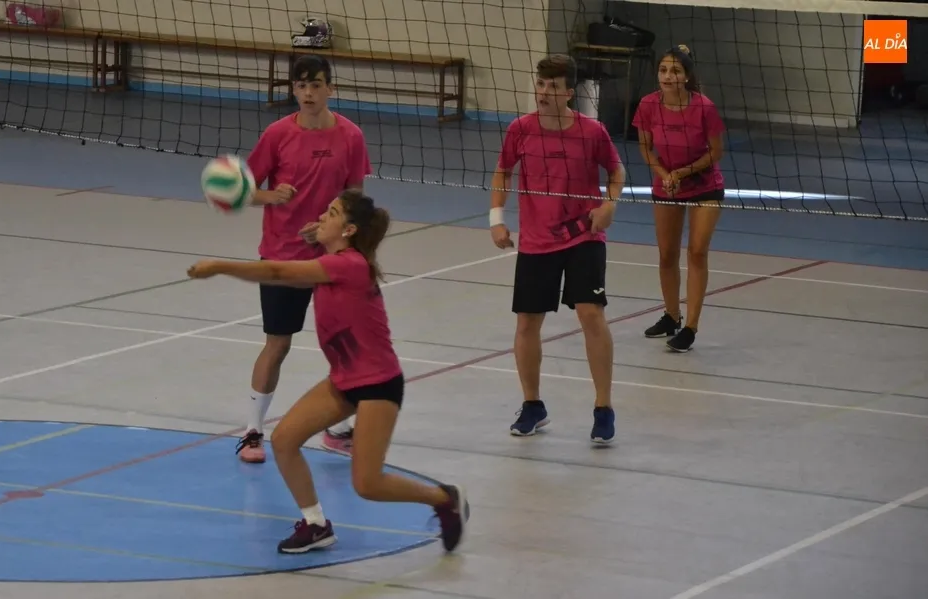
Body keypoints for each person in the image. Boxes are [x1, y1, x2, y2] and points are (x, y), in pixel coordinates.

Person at [187, 190, 469, 554]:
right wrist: (319, 235)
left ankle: (444, 498)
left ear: (349, 230)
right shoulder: (334, 259)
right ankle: (316, 524)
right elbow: (300, 265)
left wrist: (220, 266)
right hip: (344, 379)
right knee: (285, 440)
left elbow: (277, 271)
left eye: (331, 213)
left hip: (378, 383)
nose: (321, 215)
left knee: (367, 484)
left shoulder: (349, 265)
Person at [236, 54, 367, 463]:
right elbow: (243, 190)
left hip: (333, 259)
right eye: (301, 86)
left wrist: (330, 228)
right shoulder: (277, 134)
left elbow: (355, 199)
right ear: (293, 89)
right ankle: (252, 433)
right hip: (283, 257)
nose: (308, 93)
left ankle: (338, 429)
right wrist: (270, 196)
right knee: (278, 344)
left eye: (316, 85)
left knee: (345, 345)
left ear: (331, 88)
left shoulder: (351, 136)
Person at [489, 54, 626, 444]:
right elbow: (503, 171)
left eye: (553, 86)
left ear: (569, 92)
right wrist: (496, 219)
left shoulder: (592, 131)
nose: (545, 92)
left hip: (584, 232)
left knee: (590, 313)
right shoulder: (520, 129)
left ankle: (603, 408)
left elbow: (616, 171)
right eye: (541, 84)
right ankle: (533, 405)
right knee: (527, 322)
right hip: (537, 239)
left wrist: (609, 205)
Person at [632, 45, 726, 353]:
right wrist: (664, 174)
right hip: (667, 183)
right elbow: (645, 147)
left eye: (675, 71)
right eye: (663, 70)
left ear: (686, 77)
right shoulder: (648, 104)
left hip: (703, 183)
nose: (668, 76)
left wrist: (682, 173)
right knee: (666, 254)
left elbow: (716, 152)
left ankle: (690, 328)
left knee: (697, 252)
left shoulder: (704, 107)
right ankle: (672, 316)